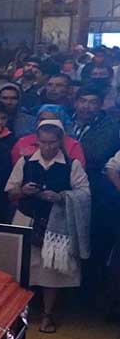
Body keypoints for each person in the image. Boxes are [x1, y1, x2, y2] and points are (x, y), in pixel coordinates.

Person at [6, 120, 91, 334]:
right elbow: (10, 192)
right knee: (22, 269)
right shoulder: (25, 162)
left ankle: (47, 314)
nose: (48, 147)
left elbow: (85, 194)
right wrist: (24, 190)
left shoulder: (72, 165)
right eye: (43, 142)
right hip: (26, 220)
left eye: (52, 143)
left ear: (60, 141)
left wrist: (62, 197)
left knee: (51, 272)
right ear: (37, 141)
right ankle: (18, 313)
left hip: (56, 224)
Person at [67, 85, 120, 291]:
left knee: (93, 238)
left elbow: (98, 154)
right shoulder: (67, 121)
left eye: (93, 102)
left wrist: (69, 151)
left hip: (97, 192)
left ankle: (89, 288)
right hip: (66, 189)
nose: (87, 107)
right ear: (75, 102)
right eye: (83, 101)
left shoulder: (112, 126)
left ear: (101, 105)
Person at [11, 105, 86, 167]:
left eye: (52, 119)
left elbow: (79, 171)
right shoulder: (23, 142)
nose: (46, 122)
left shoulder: (73, 145)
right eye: (42, 119)